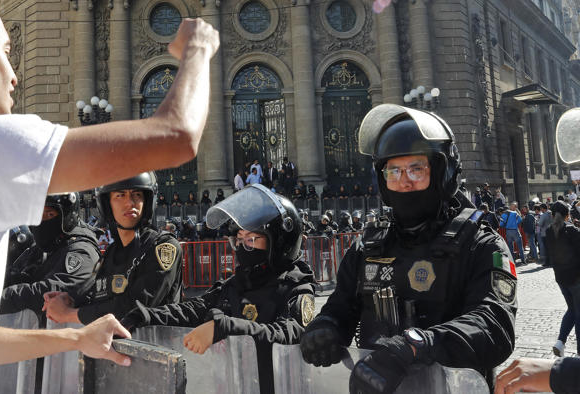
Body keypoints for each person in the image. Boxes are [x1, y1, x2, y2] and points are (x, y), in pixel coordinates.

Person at [0, 0, 218, 392]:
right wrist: (199, 50)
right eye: (6, 52)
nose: (14, 75)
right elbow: (176, 135)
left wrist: (74, 338)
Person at [300, 104, 516, 393]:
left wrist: (419, 344)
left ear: (443, 173)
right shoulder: (368, 245)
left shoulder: (480, 244)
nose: (404, 181)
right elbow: (340, 306)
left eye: (416, 169)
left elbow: (494, 326)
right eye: (394, 171)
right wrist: (325, 327)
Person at [120, 184, 317, 394]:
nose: (242, 248)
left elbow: (288, 336)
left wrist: (226, 327)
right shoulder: (238, 283)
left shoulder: (297, 288)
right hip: (235, 385)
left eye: (251, 239)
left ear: (278, 243)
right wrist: (144, 316)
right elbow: (194, 309)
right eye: (238, 240)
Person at [44, 172, 182, 324]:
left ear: (147, 201)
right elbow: (96, 293)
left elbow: (136, 308)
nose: (130, 202)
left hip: (156, 344)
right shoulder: (112, 253)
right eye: (120, 195)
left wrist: (69, 314)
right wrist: (69, 299)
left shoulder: (163, 247)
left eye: (137, 194)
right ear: (107, 204)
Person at [0, 193, 101, 315]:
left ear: (67, 215)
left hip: (65, 331)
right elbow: (22, 273)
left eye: (49, 214)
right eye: (36, 216)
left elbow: (56, 290)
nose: (41, 222)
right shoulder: (47, 246)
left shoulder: (81, 251)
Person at [542, 200, 580, 359]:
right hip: (576, 278)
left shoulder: (549, 232)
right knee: (578, 313)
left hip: (561, 278)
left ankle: (560, 342)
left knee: (572, 310)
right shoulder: (572, 231)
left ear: (551, 215)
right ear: (567, 215)